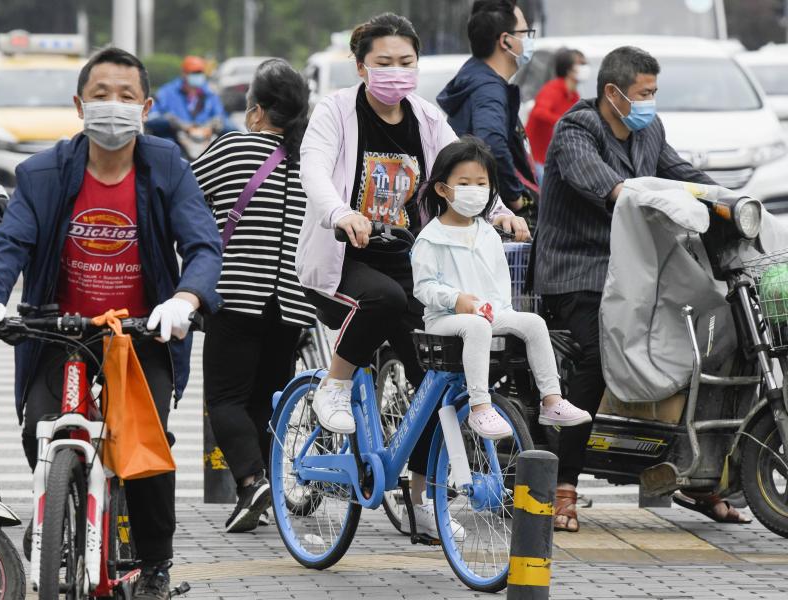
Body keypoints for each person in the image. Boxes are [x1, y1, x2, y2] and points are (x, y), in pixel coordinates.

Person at [0, 48, 223, 599]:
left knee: (145, 449)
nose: (112, 108)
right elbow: (9, 244)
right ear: (79, 105)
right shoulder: (42, 172)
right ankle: (60, 513)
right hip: (58, 329)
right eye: (100, 96)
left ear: (145, 107)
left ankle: (155, 564)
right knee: (38, 430)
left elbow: (203, 245)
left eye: (125, 97)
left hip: (139, 333)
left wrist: (185, 300)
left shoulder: (166, 166)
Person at [297, 13, 529, 539]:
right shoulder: (334, 112)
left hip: (408, 260)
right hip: (343, 257)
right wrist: (341, 214)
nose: (396, 72)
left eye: (406, 62)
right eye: (383, 63)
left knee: (433, 381)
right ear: (361, 66)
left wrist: (497, 212)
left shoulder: (426, 118)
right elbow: (313, 170)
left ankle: (423, 501)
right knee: (377, 299)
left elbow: (458, 174)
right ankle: (332, 388)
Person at [533, 45, 749, 532]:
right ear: (613, 93)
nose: (651, 101)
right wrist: (666, 202)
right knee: (596, 355)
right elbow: (608, 187)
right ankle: (565, 484)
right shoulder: (576, 130)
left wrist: (726, 202)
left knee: (710, 337)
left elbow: (681, 174)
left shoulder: (650, 128)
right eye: (643, 93)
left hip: (638, 271)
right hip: (578, 271)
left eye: (654, 92)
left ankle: (698, 479)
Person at [192, 59, 316, 534]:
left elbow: (185, 198)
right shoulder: (314, 159)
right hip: (294, 303)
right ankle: (267, 489)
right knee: (267, 398)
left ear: (257, 111)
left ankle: (250, 481)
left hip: (238, 293)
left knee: (225, 398)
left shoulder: (233, 149)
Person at [412, 136, 591, 438]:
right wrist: (456, 299)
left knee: (533, 322)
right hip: (443, 319)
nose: (476, 191)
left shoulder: (487, 232)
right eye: (465, 183)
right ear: (443, 189)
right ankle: (480, 407)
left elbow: (498, 280)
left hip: (488, 312)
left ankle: (552, 399)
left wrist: (501, 311)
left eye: (482, 184)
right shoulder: (431, 238)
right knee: (478, 326)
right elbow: (424, 287)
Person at [437, 0, 538, 221]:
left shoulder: (476, 78)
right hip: (497, 217)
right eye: (525, 32)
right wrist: (516, 198)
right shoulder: (488, 89)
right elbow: (491, 142)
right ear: (505, 40)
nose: (529, 40)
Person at [526, 48, 587, 182]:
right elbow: (539, 112)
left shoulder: (574, 96)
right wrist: (563, 121)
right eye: (580, 64)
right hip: (536, 159)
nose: (585, 67)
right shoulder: (552, 89)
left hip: (554, 158)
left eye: (585, 63)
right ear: (568, 68)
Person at [147, 55, 235, 142]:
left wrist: (211, 125)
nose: (198, 76)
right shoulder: (166, 93)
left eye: (200, 73)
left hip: (205, 139)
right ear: (184, 73)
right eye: (194, 73)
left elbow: (220, 115)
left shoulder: (210, 93)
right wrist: (175, 123)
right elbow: (152, 118)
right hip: (176, 140)